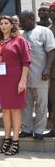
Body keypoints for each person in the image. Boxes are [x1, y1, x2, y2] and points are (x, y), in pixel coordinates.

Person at [0, 16, 31, 155]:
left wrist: (23, 80)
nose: (3, 26)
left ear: (12, 25)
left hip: (16, 78)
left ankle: (16, 142)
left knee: (15, 110)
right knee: (5, 110)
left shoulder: (20, 40)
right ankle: (6, 139)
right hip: (2, 80)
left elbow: (26, 62)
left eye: (6, 23)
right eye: (1, 23)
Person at [18, 10, 55, 141]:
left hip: (41, 75)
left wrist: (47, 69)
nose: (21, 24)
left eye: (23, 21)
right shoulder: (21, 34)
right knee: (25, 105)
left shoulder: (45, 32)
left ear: (32, 19)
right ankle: (27, 129)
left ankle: (39, 131)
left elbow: (51, 51)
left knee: (41, 105)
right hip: (24, 78)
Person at [45, 2, 55, 137]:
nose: (52, 13)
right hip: (52, 73)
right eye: (51, 11)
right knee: (53, 101)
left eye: (54, 11)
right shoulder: (48, 29)